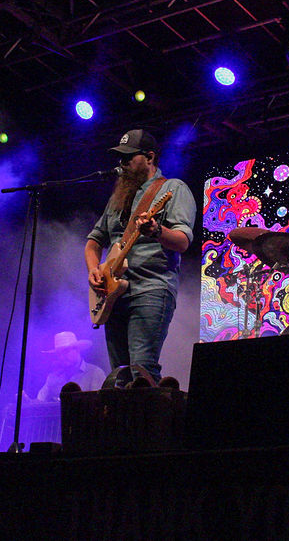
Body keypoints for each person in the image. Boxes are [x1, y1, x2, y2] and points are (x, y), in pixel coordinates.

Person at [85, 129, 197, 385]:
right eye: (120, 158)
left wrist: (157, 230)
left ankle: (154, 412)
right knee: (119, 375)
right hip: (113, 293)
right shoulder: (118, 198)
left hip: (151, 288)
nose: (122, 163)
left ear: (149, 157)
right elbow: (94, 241)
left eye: (129, 157)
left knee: (142, 369)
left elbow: (182, 241)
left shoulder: (173, 188)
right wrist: (94, 269)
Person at [36, 331, 106, 401]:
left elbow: (99, 402)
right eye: (59, 354)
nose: (62, 357)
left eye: (65, 351)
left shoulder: (95, 373)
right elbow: (39, 401)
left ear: (77, 350)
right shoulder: (53, 377)